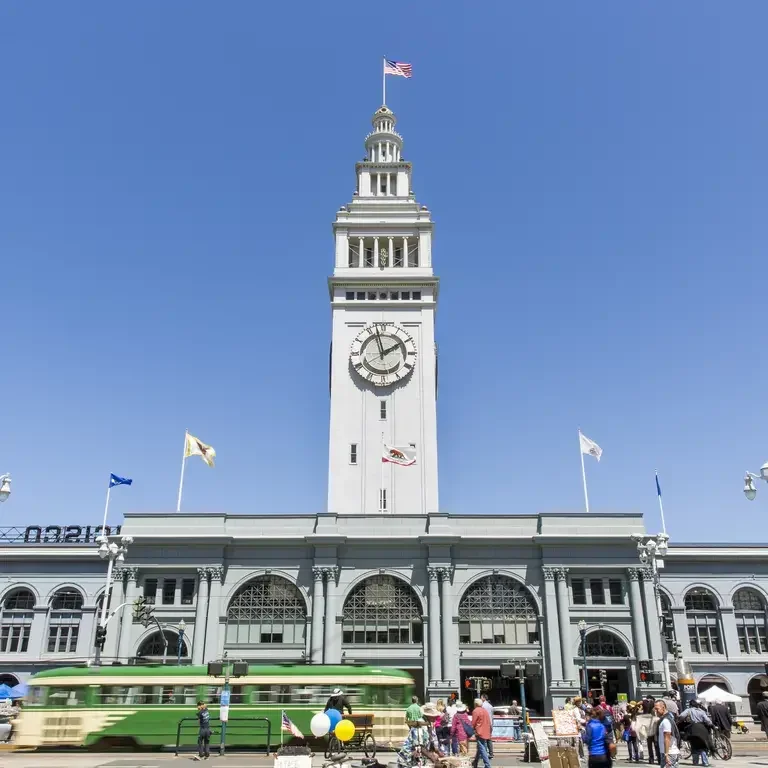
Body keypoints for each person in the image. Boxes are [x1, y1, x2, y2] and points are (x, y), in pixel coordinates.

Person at [654, 700, 680, 768]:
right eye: (655, 709)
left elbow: (667, 738)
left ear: (663, 707)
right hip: (667, 752)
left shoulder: (666, 721)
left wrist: (666, 754)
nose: (655, 711)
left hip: (669, 753)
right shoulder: (666, 719)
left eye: (657, 709)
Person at [471, 698, 492, 768]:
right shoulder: (484, 710)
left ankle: (487, 765)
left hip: (479, 731)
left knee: (482, 748)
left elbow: (473, 723)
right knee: (480, 747)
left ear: (476, 704)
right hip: (486, 731)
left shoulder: (476, 711)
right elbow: (488, 721)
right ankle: (475, 762)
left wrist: (471, 730)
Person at [480, 693, 494, 759]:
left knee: (483, 739)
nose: (480, 699)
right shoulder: (490, 706)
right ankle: (491, 753)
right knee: (489, 739)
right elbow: (492, 716)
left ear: (483, 698)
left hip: (484, 724)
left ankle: (484, 753)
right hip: (490, 724)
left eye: (481, 697)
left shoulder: (482, 706)